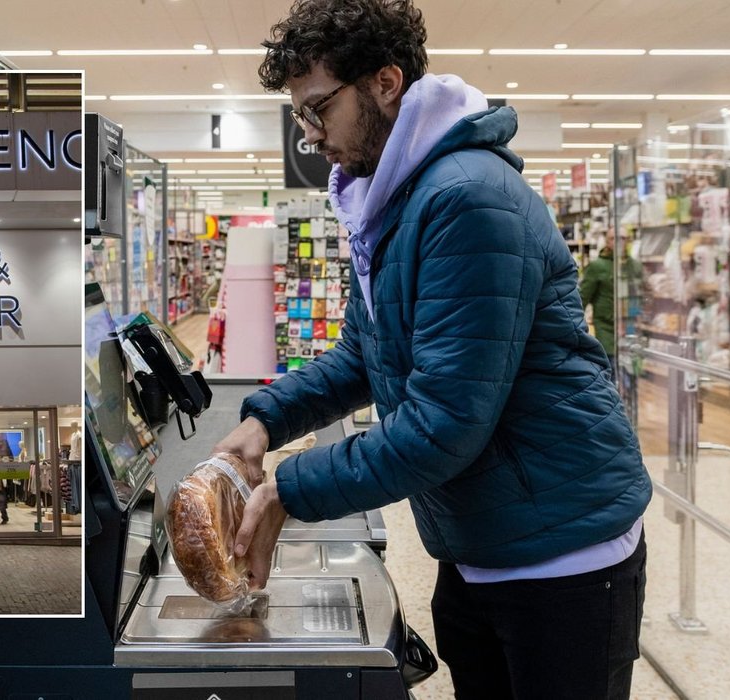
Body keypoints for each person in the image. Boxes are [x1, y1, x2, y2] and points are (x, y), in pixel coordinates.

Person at [216, 1, 652, 697]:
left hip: (561, 554)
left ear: (385, 83)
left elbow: (445, 422)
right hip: (483, 539)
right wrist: (266, 418)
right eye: (300, 116)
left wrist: (289, 488)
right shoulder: (395, 201)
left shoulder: (466, 198)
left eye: (319, 108)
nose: (309, 135)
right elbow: (361, 354)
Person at [580, 228, 620, 370]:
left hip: (629, 331)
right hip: (606, 331)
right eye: (614, 238)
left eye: (623, 238)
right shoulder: (597, 266)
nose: (619, 242)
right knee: (611, 371)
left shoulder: (633, 265)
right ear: (607, 242)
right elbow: (582, 298)